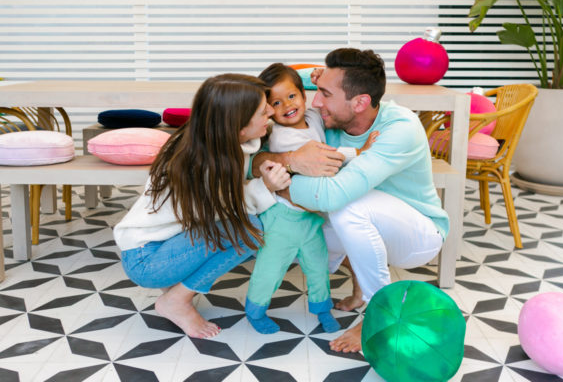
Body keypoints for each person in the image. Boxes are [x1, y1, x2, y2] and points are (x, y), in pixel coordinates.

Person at [252, 48, 449, 352]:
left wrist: (276, 185)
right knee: (295, 229)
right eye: (316, 89)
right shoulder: (330, 120)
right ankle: (359, 290)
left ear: (360, 102)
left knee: (346, 205)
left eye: (325, 94)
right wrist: (289, 158)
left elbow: (332, 196)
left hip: (418, 234)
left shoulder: (399, 128)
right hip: (369, 219)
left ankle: (379, 313)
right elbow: (253, 160)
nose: (315, 101)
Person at [113, 74, 291, 339]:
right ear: (238, 124)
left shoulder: (210, 142)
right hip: (147, 260)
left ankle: (175, 291)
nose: (270, 111)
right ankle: (176, 301)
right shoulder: (203, 165)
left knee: (245, 228)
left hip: (157, 246)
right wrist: (266, 187)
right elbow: (227, 209)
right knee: (250, 231)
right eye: (262, 110)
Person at [245, 63, 377, 335]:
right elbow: (328, 156)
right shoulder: (282, 136)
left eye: (292, 97)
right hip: (282, 217)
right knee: (270, 270)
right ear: (269, 110)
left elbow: (306, 80)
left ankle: (321, 309)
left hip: (309, 218)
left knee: (318, 269)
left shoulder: (314, 116)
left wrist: (315, 74)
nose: (287, 106)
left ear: (305, 96)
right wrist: (360, 152)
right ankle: (255, 310)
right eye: (277, 102)